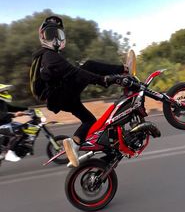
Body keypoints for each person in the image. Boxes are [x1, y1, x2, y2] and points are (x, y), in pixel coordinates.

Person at [34, 16, 127, 167]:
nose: (56, 39)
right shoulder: (49, 56)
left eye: (59, 35)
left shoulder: (49, 57)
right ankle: (124, 69)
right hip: (60, 95)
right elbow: (76, 73)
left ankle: (74, 144)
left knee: (90, 121)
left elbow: (70, 74)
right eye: (51, 35)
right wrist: (104, 80)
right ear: (43, 36)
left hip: (62, 97)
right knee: (89, 65)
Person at [0, 84, 27, 161]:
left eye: (6, 92)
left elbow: (12, 108)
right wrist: (14, 115)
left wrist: (27, 109)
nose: (6, 94)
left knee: (25, 127)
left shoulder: (2, 102)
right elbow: (2, 116)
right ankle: (10, 152)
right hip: (1, 126)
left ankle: (18, 149)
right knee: (18, 131)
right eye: (4, 92)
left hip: (6, 124)